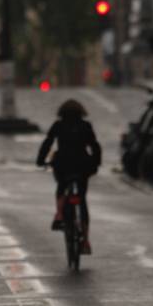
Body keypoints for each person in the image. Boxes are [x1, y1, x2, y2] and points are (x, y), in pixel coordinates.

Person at [36, 99, 101, 254]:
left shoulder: (58, 125)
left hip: (63, 164)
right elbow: (95, 146)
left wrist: (40, 160)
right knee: (82, 199)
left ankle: (59, 214)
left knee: (61, 187)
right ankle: (85, 241)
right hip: (82, 165)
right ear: (81, 112)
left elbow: (48, 142)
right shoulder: (86, 126)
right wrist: (95, 164)